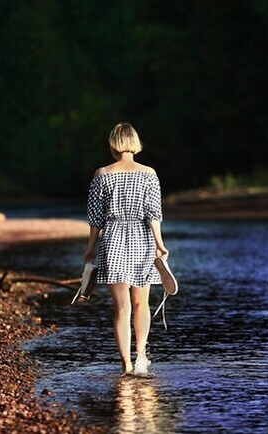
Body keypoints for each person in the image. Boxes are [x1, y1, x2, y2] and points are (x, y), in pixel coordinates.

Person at [83, 122, 169, 375]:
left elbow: (95, 218)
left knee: (121, 307)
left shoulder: (102, 174)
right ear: (135, 142)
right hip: (143, 239)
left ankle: (127, 365)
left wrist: (90, 248)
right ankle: (141, 356)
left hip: (113, 239)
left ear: (113, 143)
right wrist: (160, 244)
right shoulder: (149, 173)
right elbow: (154, 214)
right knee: (141, 304)